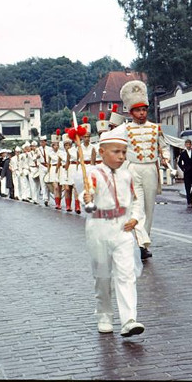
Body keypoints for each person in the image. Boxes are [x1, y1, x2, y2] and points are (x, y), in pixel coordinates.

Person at [78, 127, 145, 337]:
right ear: (102, 152)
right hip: (99, 229)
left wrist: (135, 217)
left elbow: (136, 200)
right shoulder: (93, 174)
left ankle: (129, 319)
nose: (121, 156)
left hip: (122, 230)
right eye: (116, 152)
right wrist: (87, 201)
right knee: (103, 276)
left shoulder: (127, 175)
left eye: (124, 152)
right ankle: (104, 315)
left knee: (126, 275)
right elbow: (87, 200)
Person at [120, 80, 171, 260]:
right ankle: (141, 243)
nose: (142, 113)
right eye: (138, 110)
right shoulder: (124, 129)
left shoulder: (155, 128)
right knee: (138, 207)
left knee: (149, 208)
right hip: (133, 169)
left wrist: (166, 157)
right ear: (131, 111)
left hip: (151, 169)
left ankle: (143, 242)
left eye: (144, 109)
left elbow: (163, 147)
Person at [177, 139, 192, 208]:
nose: (188, 146)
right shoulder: (183, 154)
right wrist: (183, 168)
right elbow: (179, 163)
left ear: (191, 145)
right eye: (187, 144)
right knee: (187, 188)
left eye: (189, 144)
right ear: (185, 145)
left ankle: (191, 195)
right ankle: (189, 202)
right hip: (187, 173)